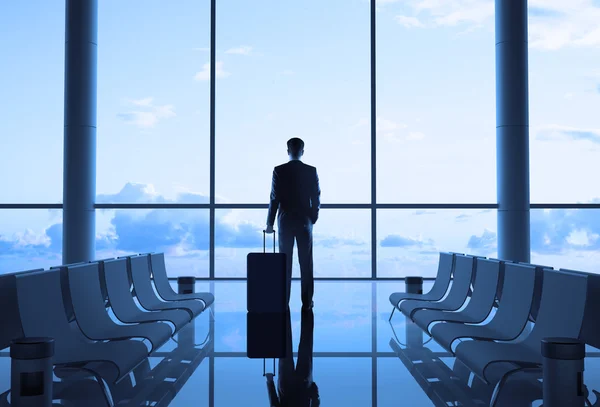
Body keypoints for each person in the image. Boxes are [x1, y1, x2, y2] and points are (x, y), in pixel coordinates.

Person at [265, 137, 320, 311]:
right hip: (304, 222)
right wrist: (312, 218)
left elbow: (274, 199)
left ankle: (283, 301)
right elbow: (316, 197)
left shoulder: (279, 170)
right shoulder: (311, 171)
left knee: (285, 263)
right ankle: (307, 302)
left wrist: (270, 223)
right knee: (306, 264)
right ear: (302, 151)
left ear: (287, 151)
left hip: (285, 222)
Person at [266, 309, 320, 407]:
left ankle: (307, 307)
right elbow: (274, 405)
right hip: (286, 388)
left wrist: (314, 391)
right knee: (285, 344)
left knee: (306, 343)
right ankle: (284, 305)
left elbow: (315, 402)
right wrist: (270, 382)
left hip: (303, 387)